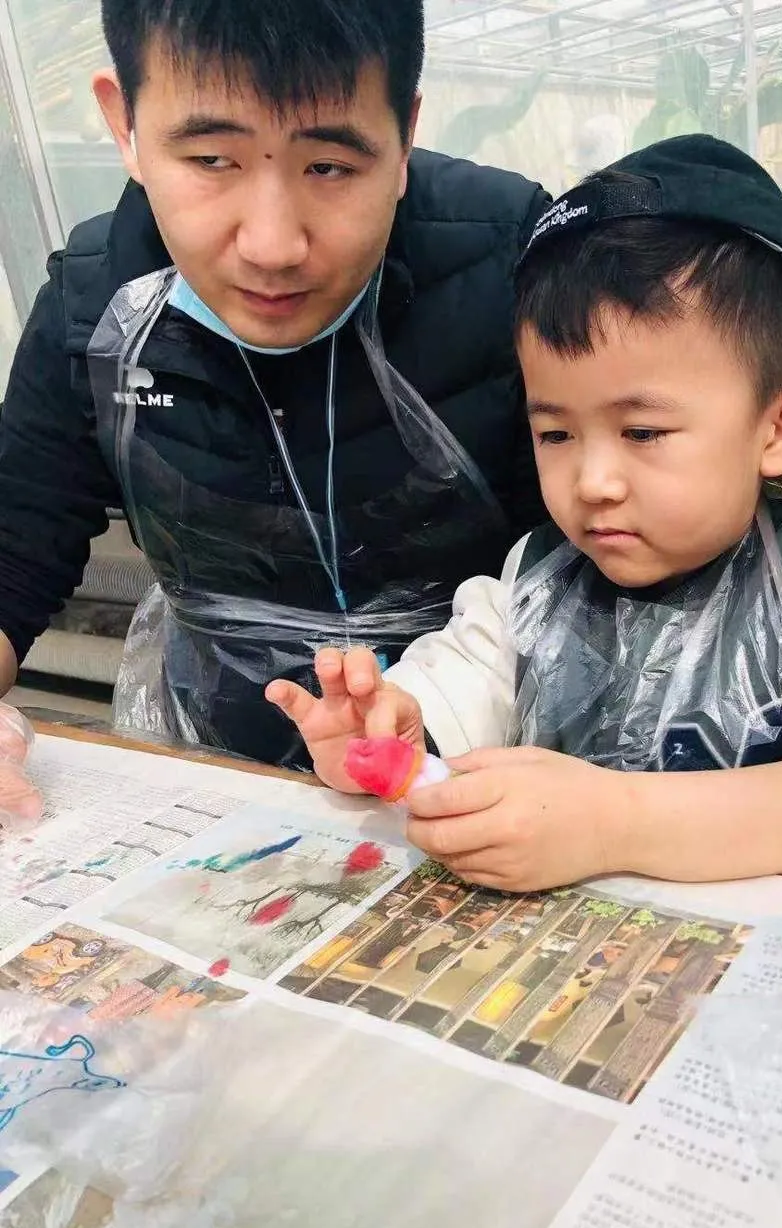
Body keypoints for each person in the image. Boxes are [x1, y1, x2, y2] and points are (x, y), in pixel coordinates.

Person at [268, 135, 782, 897]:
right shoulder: (534, 582)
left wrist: (617, 822)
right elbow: (452, 701)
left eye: (643, 432)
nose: (593, 482)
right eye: (556, 434)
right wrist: (388, 738)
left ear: (781, 427)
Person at [0, 0, 549, 787]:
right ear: (125, 125)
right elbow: (15, 545)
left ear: (404, 135)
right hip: (219, 773)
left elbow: (599, 560)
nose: (273, 246)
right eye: (210, 160)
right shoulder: (94, 307)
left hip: (488, 770)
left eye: (328, 167)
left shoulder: (511, 270)